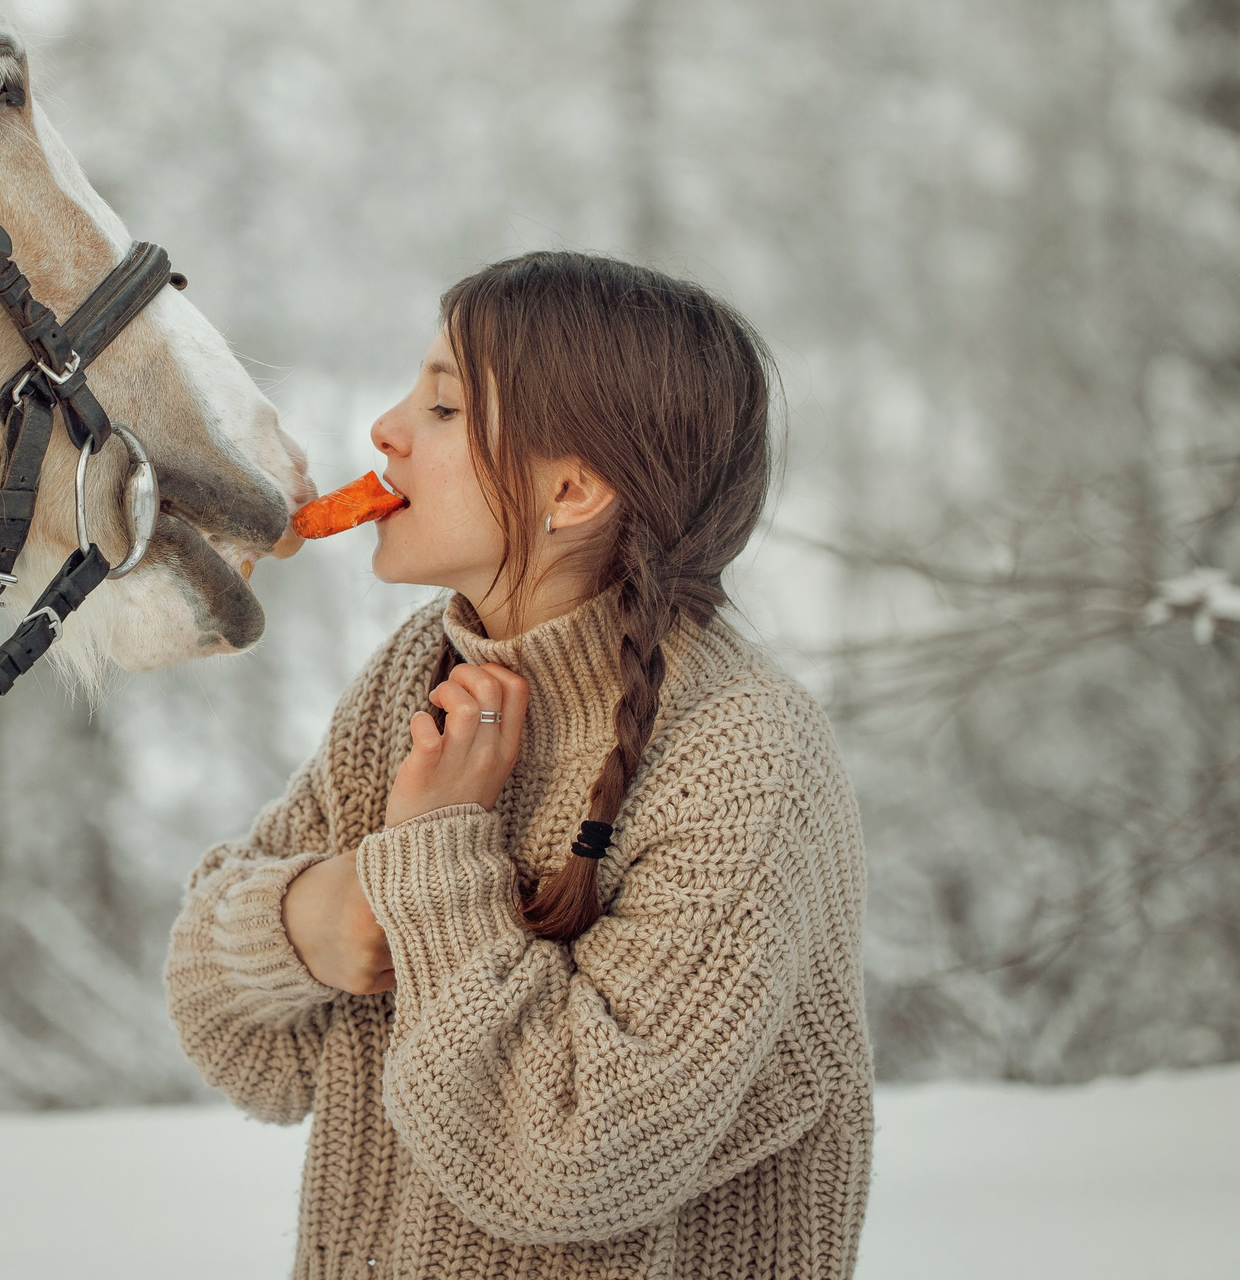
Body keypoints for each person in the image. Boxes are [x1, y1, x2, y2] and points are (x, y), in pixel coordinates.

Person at [166, 251, 872, 1279]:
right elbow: (232, 1032)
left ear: (574, 488)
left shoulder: (743, 759)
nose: (385, 430)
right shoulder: (417, 670)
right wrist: (308, 919)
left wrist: (434, 861)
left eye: (444, 408)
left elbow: (565, 1159)